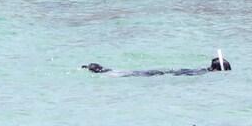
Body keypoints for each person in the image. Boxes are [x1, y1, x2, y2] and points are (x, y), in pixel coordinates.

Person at [82, 54, 232, 77]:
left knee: (138, 73)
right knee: (137, 75)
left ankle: (103, 70)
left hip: (171, 72)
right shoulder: (202, 73)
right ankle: (101, 71)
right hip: (169, 74)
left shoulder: (202, 71)